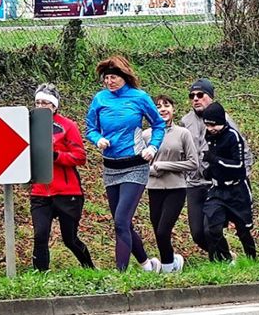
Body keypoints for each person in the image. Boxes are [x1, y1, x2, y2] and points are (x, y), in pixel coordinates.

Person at [85, 56, 166, 272]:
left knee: (120, 220)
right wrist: (97, 139)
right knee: (124, 224)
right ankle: (147, 265)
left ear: (124, 78)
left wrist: (153, 147)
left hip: (135, 165)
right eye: (106, 78)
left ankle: (121, 274)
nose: (109, 82)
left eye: (113, 78)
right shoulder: (100, 99)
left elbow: (159, 125)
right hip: (111, 167)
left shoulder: (139, 98)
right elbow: (90, 128)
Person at [180, 79, 253, 256]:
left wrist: (241, 177)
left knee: (213, 229)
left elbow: (244, 153)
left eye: (200, 95)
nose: (195, 99)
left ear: (210, 97)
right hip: (195, 183)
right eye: (192, 96)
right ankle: (227, 256)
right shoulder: (185, 122)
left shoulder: (225, 121)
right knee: (198, 234)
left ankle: (227, 262)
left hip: (219, 183)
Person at [31, 83, 94, 271]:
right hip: (40, 191)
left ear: (55, 106)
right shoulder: (29, 124)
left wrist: (57, 156)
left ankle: (90, 269)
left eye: (46, 103)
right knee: (40, 235)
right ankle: (40, 275)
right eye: (38, 103)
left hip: (67, 191)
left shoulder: (67, 126)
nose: (41, 107)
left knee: (70, 238)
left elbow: (80, 157)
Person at [143, 95, 198, 273]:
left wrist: (164, 165)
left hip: (176, 188)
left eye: (166, 106)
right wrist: (151, 169)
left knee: (163, 230)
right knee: (157, 229)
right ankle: (173, 261)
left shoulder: (183, 133)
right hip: (154, 188)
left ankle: (167, 268)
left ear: (173, 109)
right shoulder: (146, 135)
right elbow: (140, 163)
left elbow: (192, 163)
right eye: (158, 107)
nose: (162, 110)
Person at [200, 102, 256, 262]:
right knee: (212, 228)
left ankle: (252, 260)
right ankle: (222, 260)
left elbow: (238, 166)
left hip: (237, 190)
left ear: (222, 122)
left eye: (214, 125)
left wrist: (215, 160)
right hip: (218, 190)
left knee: (243, 230)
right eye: (207, 125)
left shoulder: (233, 136)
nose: (210, 128)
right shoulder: (209, 135)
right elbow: (212, 159)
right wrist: (210, 171)